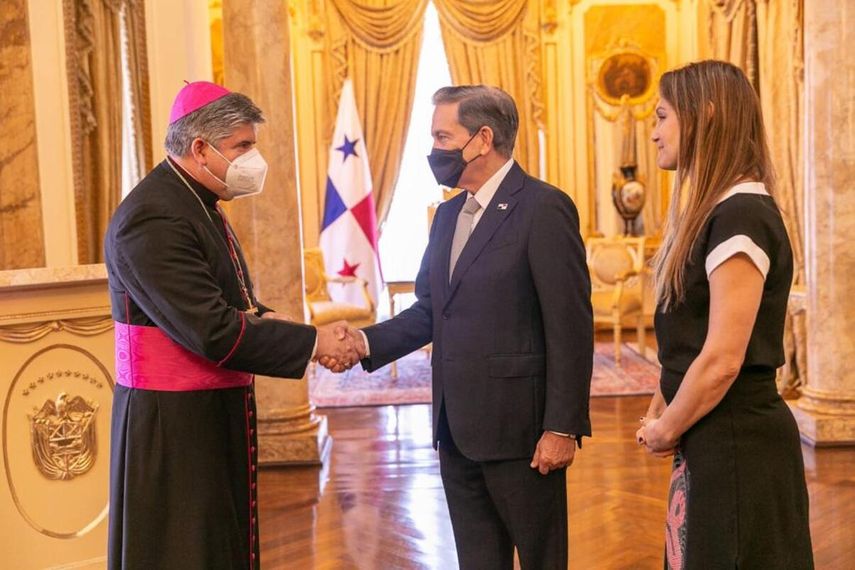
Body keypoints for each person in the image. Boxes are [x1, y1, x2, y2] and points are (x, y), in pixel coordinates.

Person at [336, 85, 593, 569]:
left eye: (442, 137)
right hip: (455, 430)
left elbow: (571, 327)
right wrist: (364, 342)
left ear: (483, 139)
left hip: (522, 433)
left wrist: (562, 426)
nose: (434, 149)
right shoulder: (448, 214)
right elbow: (431, 310)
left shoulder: (543, 208)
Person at [104, 81, 358, 569]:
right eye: (242, 146)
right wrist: (314, 342)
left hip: (206, 412)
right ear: (201, 148)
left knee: (220, 543)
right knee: (186, 549)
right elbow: (212, 329)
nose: (252, 159)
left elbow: (228, 298)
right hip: (172, 427)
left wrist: (266, 317)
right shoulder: (154, 217)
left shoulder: (194, 201)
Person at [637, 60, 814, 569]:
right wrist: (663, 406)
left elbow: (722, 359)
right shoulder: (723, 211)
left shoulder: (741, 214)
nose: (654, 133)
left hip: (738, 443)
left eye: (663, 116)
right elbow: (689, 339)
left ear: (706, 116)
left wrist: (666, 428)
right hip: (715, 437)